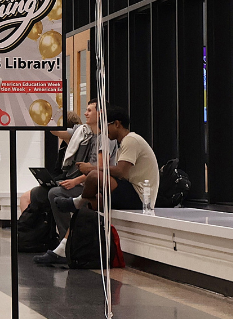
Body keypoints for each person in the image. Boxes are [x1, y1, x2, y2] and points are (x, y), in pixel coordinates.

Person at [34, 105, 159, 267]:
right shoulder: (121, 142)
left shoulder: (131, 140)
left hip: (139, 195)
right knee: (86, 204)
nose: (104, 130)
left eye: (106, 125)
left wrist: (90, 168)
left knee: (93, 177)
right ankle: (64, 246)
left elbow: (120, 171)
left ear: (117, 124)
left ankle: (77, 202)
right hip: (128, 190)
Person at [26, 101, 103, 243]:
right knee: (37, 193)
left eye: (89, 111)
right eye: (86, 110)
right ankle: (42, 236)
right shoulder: (82, 131)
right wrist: (46, 116)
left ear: (100, 114)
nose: (85, 113)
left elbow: (97, 169)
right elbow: (56, 130)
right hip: (78, 179)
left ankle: (66, 240)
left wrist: (75, 181)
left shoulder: (104, 138)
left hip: (88, 183)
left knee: (54, 193)